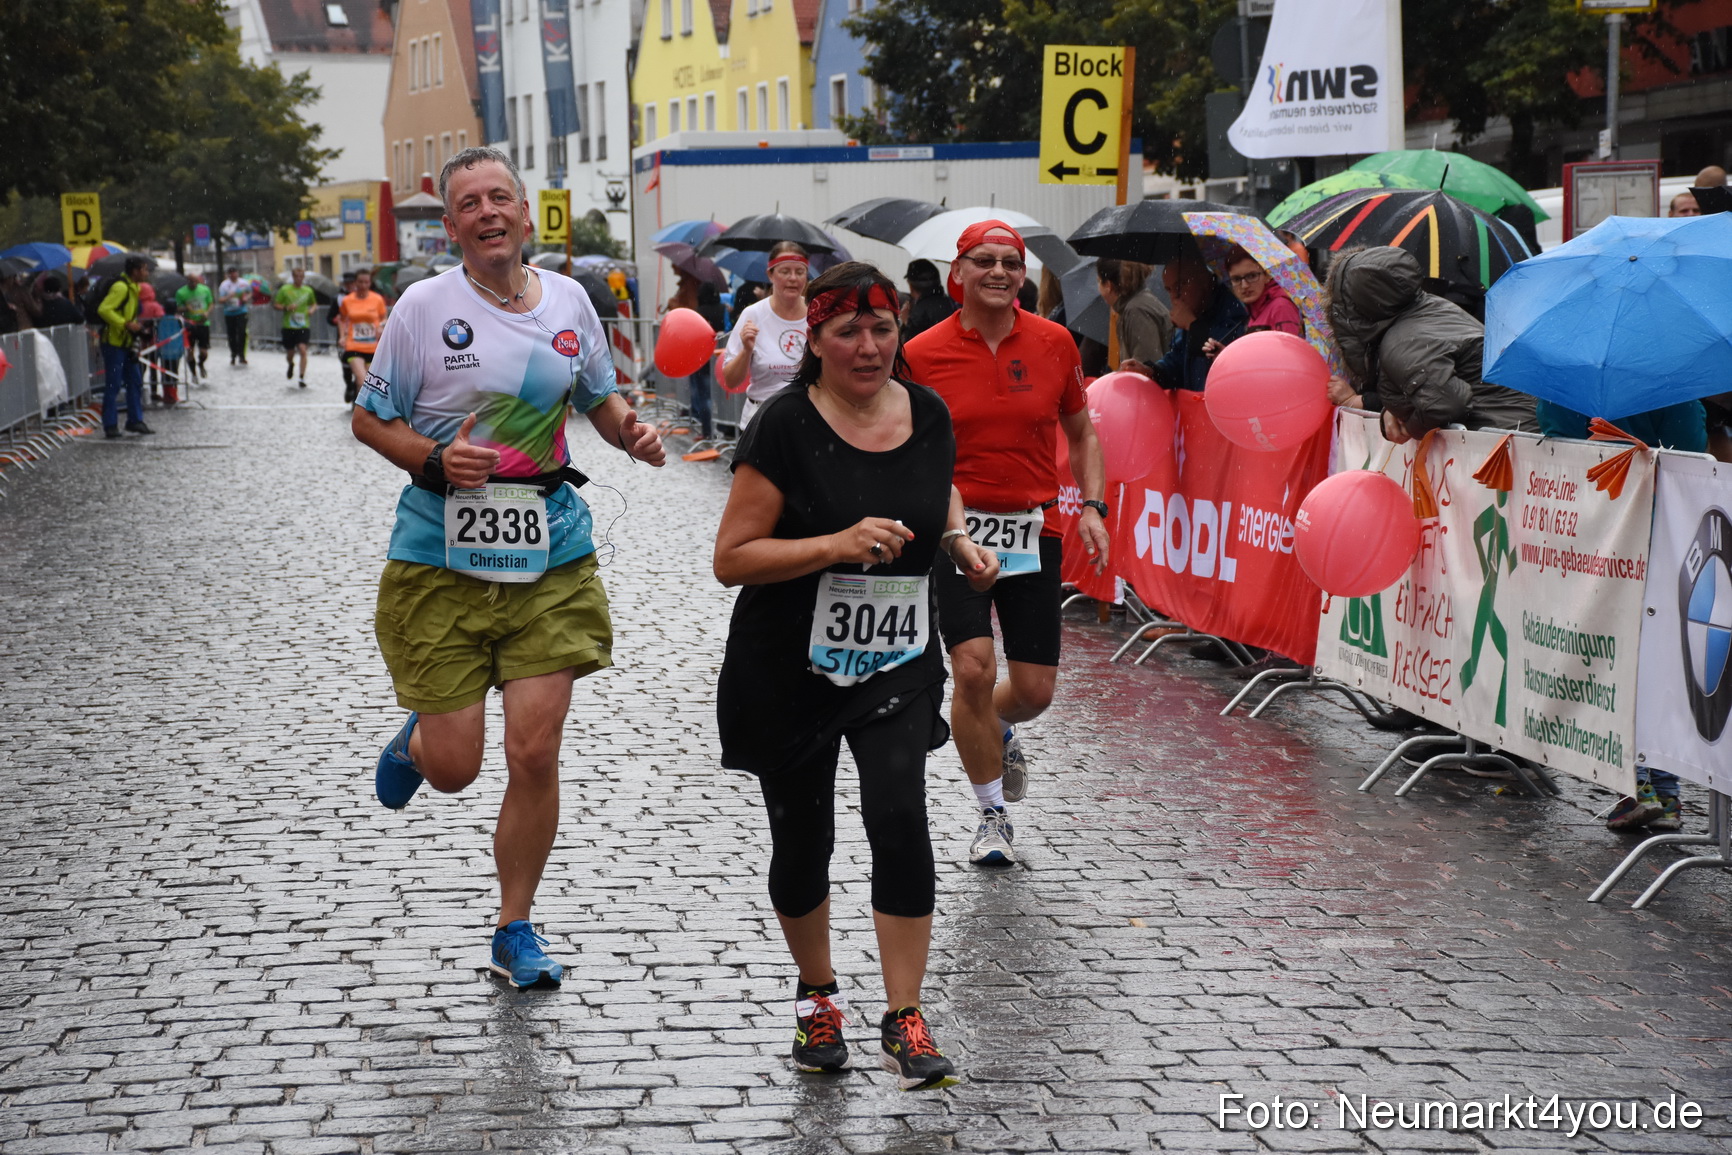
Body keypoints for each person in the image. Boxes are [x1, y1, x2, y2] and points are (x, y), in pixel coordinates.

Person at [352, 145, 667, 992]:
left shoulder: (569, 301)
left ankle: (514, 925)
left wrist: (631, 431)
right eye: (470, 203)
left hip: (550, 549)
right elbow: (369, 420)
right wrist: (430, 461)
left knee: (534, 752)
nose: (488, 212)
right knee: (459, 766)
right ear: (451, 226)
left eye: (501, 198)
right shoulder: (423, 308)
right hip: (440, 556)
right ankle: (422, 747)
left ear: (525, 215)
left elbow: (600, 399)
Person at [713, 261, 999, 1089]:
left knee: (899, 807)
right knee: (804, 837)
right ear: (816, 339)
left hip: (896, 656)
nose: (868, 346)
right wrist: (834, 545)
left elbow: (936, 494)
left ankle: (905, 1013)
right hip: (788, 662)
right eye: (848, 331)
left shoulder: (931, 413)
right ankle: (817, 997)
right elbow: (732, 557)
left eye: (883, 329)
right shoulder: (782, 425)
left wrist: (956, 543)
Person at [902, 220, 1111, 866]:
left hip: (1033, 528)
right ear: (957, 271)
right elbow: (908, 441)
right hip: (953, 530)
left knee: (1035, 687)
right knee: (971, 668)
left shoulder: (1054, 343)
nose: (999, 272)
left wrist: (1095, 507)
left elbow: (1082, 432)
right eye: (984, 261)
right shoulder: (922, 351)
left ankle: (996, 725)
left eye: (1011, 263)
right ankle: (992, 814)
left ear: (1024, 275)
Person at [1326, 246, 1536, 442]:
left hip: (1503, 442)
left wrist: (1409, 429)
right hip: (1513, 432)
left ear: (1353, 307)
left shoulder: (1403, 341)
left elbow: (1444, 404)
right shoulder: (1431, 308)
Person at [1121, 244, 1247, 391]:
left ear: (1206, 280)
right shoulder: (1195, 311)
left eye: (1181, 285)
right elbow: (1177, 364)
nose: (1175, 296)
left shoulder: (1234, 308)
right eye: (1169, 289)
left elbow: (1222, 361)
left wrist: (1193, 325)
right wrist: (1151, 371)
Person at [722, 243, 810, 428]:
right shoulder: (753, 315)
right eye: (785, 271)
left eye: (799, 272)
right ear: (770, 274)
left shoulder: (816, 315)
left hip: (806, 420)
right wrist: (746, 350)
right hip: (762, 419)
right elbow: (731, 380)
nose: (793, 278)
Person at [96, 255, 153, 438]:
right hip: (114, 343)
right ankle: (110, 425)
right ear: (135, 271)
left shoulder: (133, 287)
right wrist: (125, 324)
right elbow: (104, 309)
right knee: (113, 385)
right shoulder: (121, 287)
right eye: (144, 269)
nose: (147, 272)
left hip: (126, 343)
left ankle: (135, 420)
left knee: (135, 382)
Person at [1207, 247, 1302, 353]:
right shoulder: (1253, 311)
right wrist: (1225, 355)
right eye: (1236, 279)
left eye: (1252, 276)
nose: (1244, 285)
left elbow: (1288, 356)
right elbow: (1255, 358)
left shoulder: (1281, 307)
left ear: (1267, 275)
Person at [666, 269, 724, 440]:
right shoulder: (722, 309)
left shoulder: (699, 312)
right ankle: (717, 427)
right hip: (719, 357)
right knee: (718, 398)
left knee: (702, 395)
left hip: (701, 359)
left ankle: (705, 429)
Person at [1094, 257, 1172, 368]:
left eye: (1099, 281)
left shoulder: (1136, 311)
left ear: (1108, 286)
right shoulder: (1137, 305)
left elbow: (1145, 369)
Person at [338, 267, 389, 405]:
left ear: (370, 283)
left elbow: (384, 318)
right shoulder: (347, 300)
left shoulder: (377, 299)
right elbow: (341, 320)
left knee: (370, 385)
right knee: (362, 380)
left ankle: (360, 404)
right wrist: (342, 336)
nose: (363, 285)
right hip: (353, 345)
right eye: (360, 282)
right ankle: (360, 413)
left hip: (373, 347)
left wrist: (381, 326)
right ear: (355, 283)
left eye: (366, 282)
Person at [274, 266, 317, 387]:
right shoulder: (285, 289)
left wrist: (312, 310)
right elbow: (276, 304)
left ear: (303, 277)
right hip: (289, 326)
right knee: (290, 352)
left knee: (303, 350)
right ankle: (291, 364)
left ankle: (302, 377)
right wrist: (287, 308)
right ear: (293, 277)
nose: (299, 278)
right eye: (296, 276)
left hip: (303, 325)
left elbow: (314, 304)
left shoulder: (308, 290)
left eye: (301, 276)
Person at [901, 259, 956, 342]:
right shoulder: (950, 302)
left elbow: (910, 347)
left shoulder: (918, 312)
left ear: (911, 286)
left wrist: (906, 322)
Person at [174, 271, 213, 381]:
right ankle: (194, 374)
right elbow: (177, 308)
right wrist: (186, 308)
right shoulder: (181, 292)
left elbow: (211, 303)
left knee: (204, 352)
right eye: (191, 281)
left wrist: (207, 313)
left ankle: (200, 364)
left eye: (196, 281)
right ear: (188, 281)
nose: (194, 284)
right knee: (190, 351)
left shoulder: (205, 289)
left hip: (203, 324)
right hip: (189, 325)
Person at [216, 267, 251, 366]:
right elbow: (220, 300)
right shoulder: (224, 285)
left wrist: (246, 298)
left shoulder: (243, 283)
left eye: (235, 273)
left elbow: (249, 292)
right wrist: (228, 297)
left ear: (238, 273)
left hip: (241, 311)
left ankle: (242, 355)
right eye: (231, 273)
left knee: (242, 332)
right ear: (228, 275)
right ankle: (233, 353)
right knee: (231, 335)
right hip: (229, 312)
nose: (233, 275)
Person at [155, 300, 185, 406]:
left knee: (164, 372)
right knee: (174, 372)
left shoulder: (159, 320)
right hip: (176, 350)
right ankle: (173, 394)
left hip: (163, 350)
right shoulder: (179, 320)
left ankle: (166, 394)